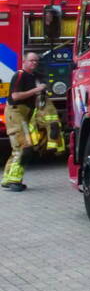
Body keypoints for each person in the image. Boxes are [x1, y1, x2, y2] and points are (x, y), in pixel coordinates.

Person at [2, 53, 47, 191]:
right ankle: (15, 181)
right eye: (31, 60)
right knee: (24, 147)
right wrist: (36, 90)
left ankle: (7, 179)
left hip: (25, 114)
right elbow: (15, 96)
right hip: (15, 112)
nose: (34, 63)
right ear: (24, 61)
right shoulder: (19, 75)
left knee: (18, 147)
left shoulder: (34, 77)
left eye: (36, 61)